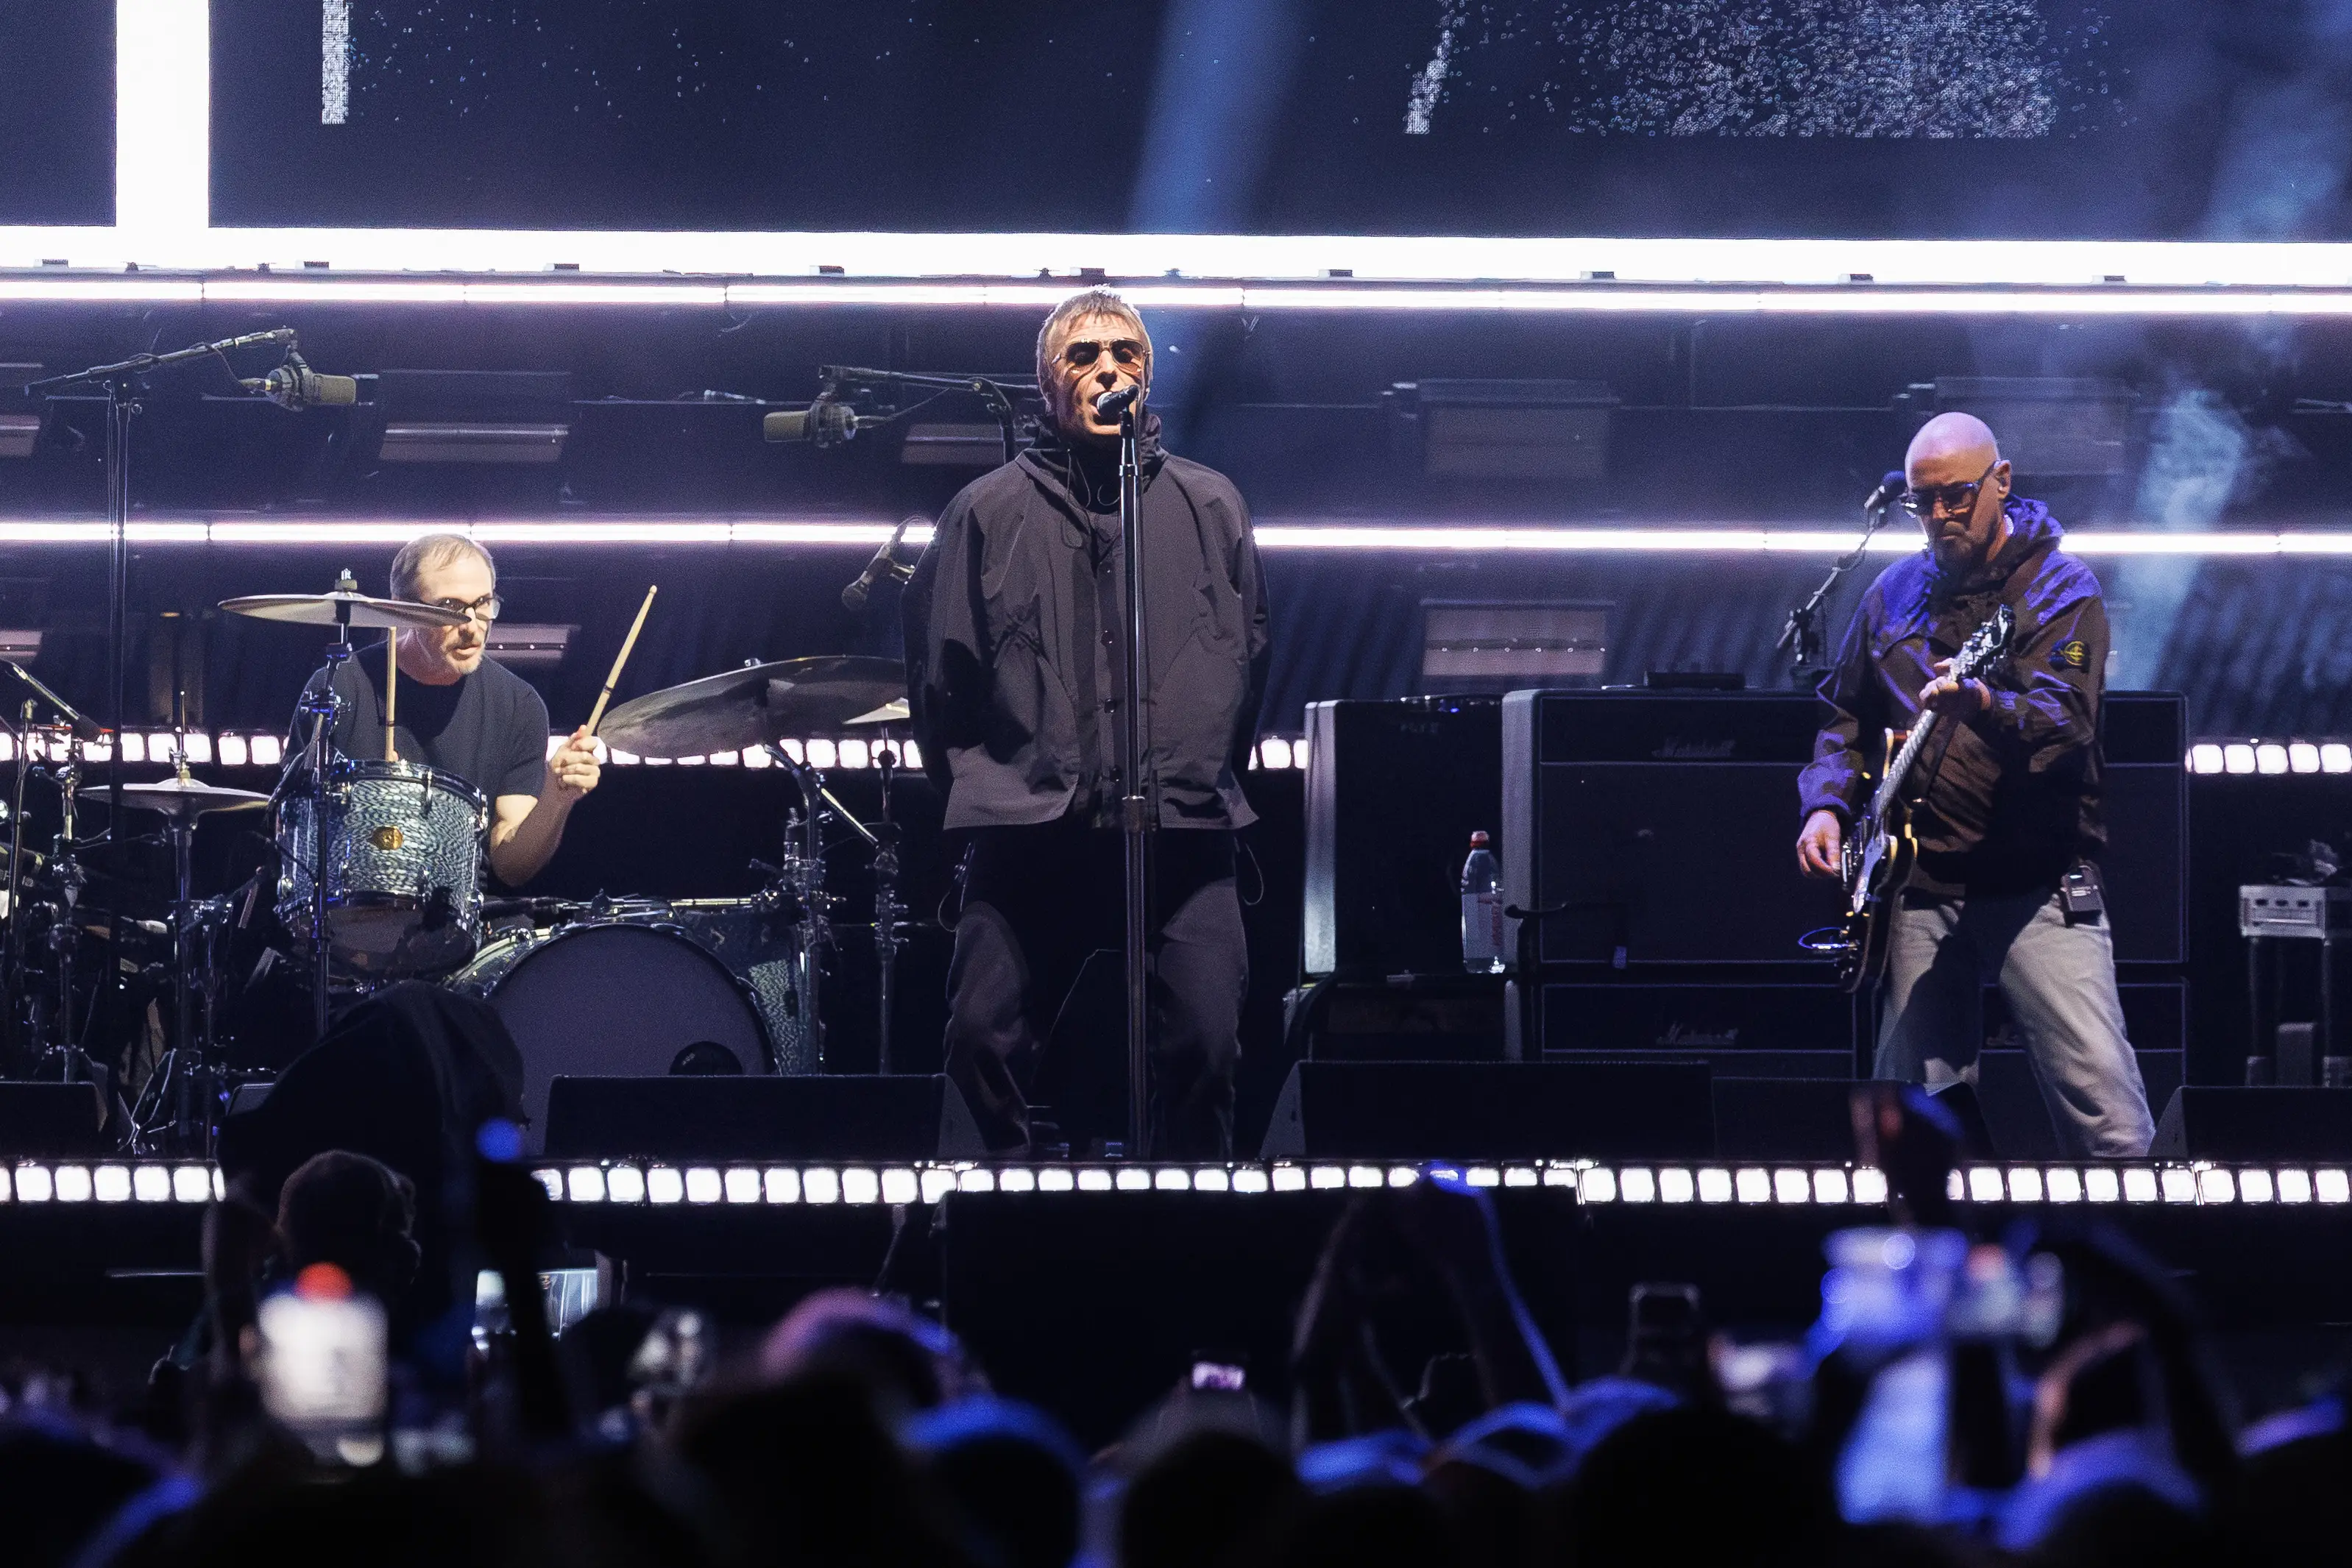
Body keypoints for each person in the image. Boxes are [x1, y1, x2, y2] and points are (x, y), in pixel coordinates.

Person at [904, 288, 1271, 1158]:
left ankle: (1185, 1244)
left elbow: (1251, 657)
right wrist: (999, 785)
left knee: (1205, 1046)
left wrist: (1191, 760)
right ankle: (1003, 1234)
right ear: (1046, 383)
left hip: (1179, 830)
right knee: (977, 1043)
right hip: (1034, 829)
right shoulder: (986, 513)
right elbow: (938, 678)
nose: (1109, 369)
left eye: (1126, 354)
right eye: (1084, 356)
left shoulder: (1210, 505)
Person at [1795, 412, 2154, 1157]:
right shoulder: (1891, 594)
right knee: (1907, 1125)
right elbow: (1844, 713)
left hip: (2036, 883)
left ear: (2002, 482)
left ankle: (2154, 1257)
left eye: (1955, 496)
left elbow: (2067, 722)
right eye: (1921, 502)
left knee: (2107, 1117)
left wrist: (1984, 704)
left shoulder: (2060, 591)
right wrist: (1826, 804)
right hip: (1918, 886)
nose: (1937, 516)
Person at [292, 533, 599, 887]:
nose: (472, 626)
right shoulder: (339, 688)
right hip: (349, 908)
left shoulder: (520, 706)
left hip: (463, 923)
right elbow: (296, 825)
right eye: (450, 607)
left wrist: (556, 798)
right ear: (402, 609)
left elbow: (511, 867)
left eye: (483, 603)